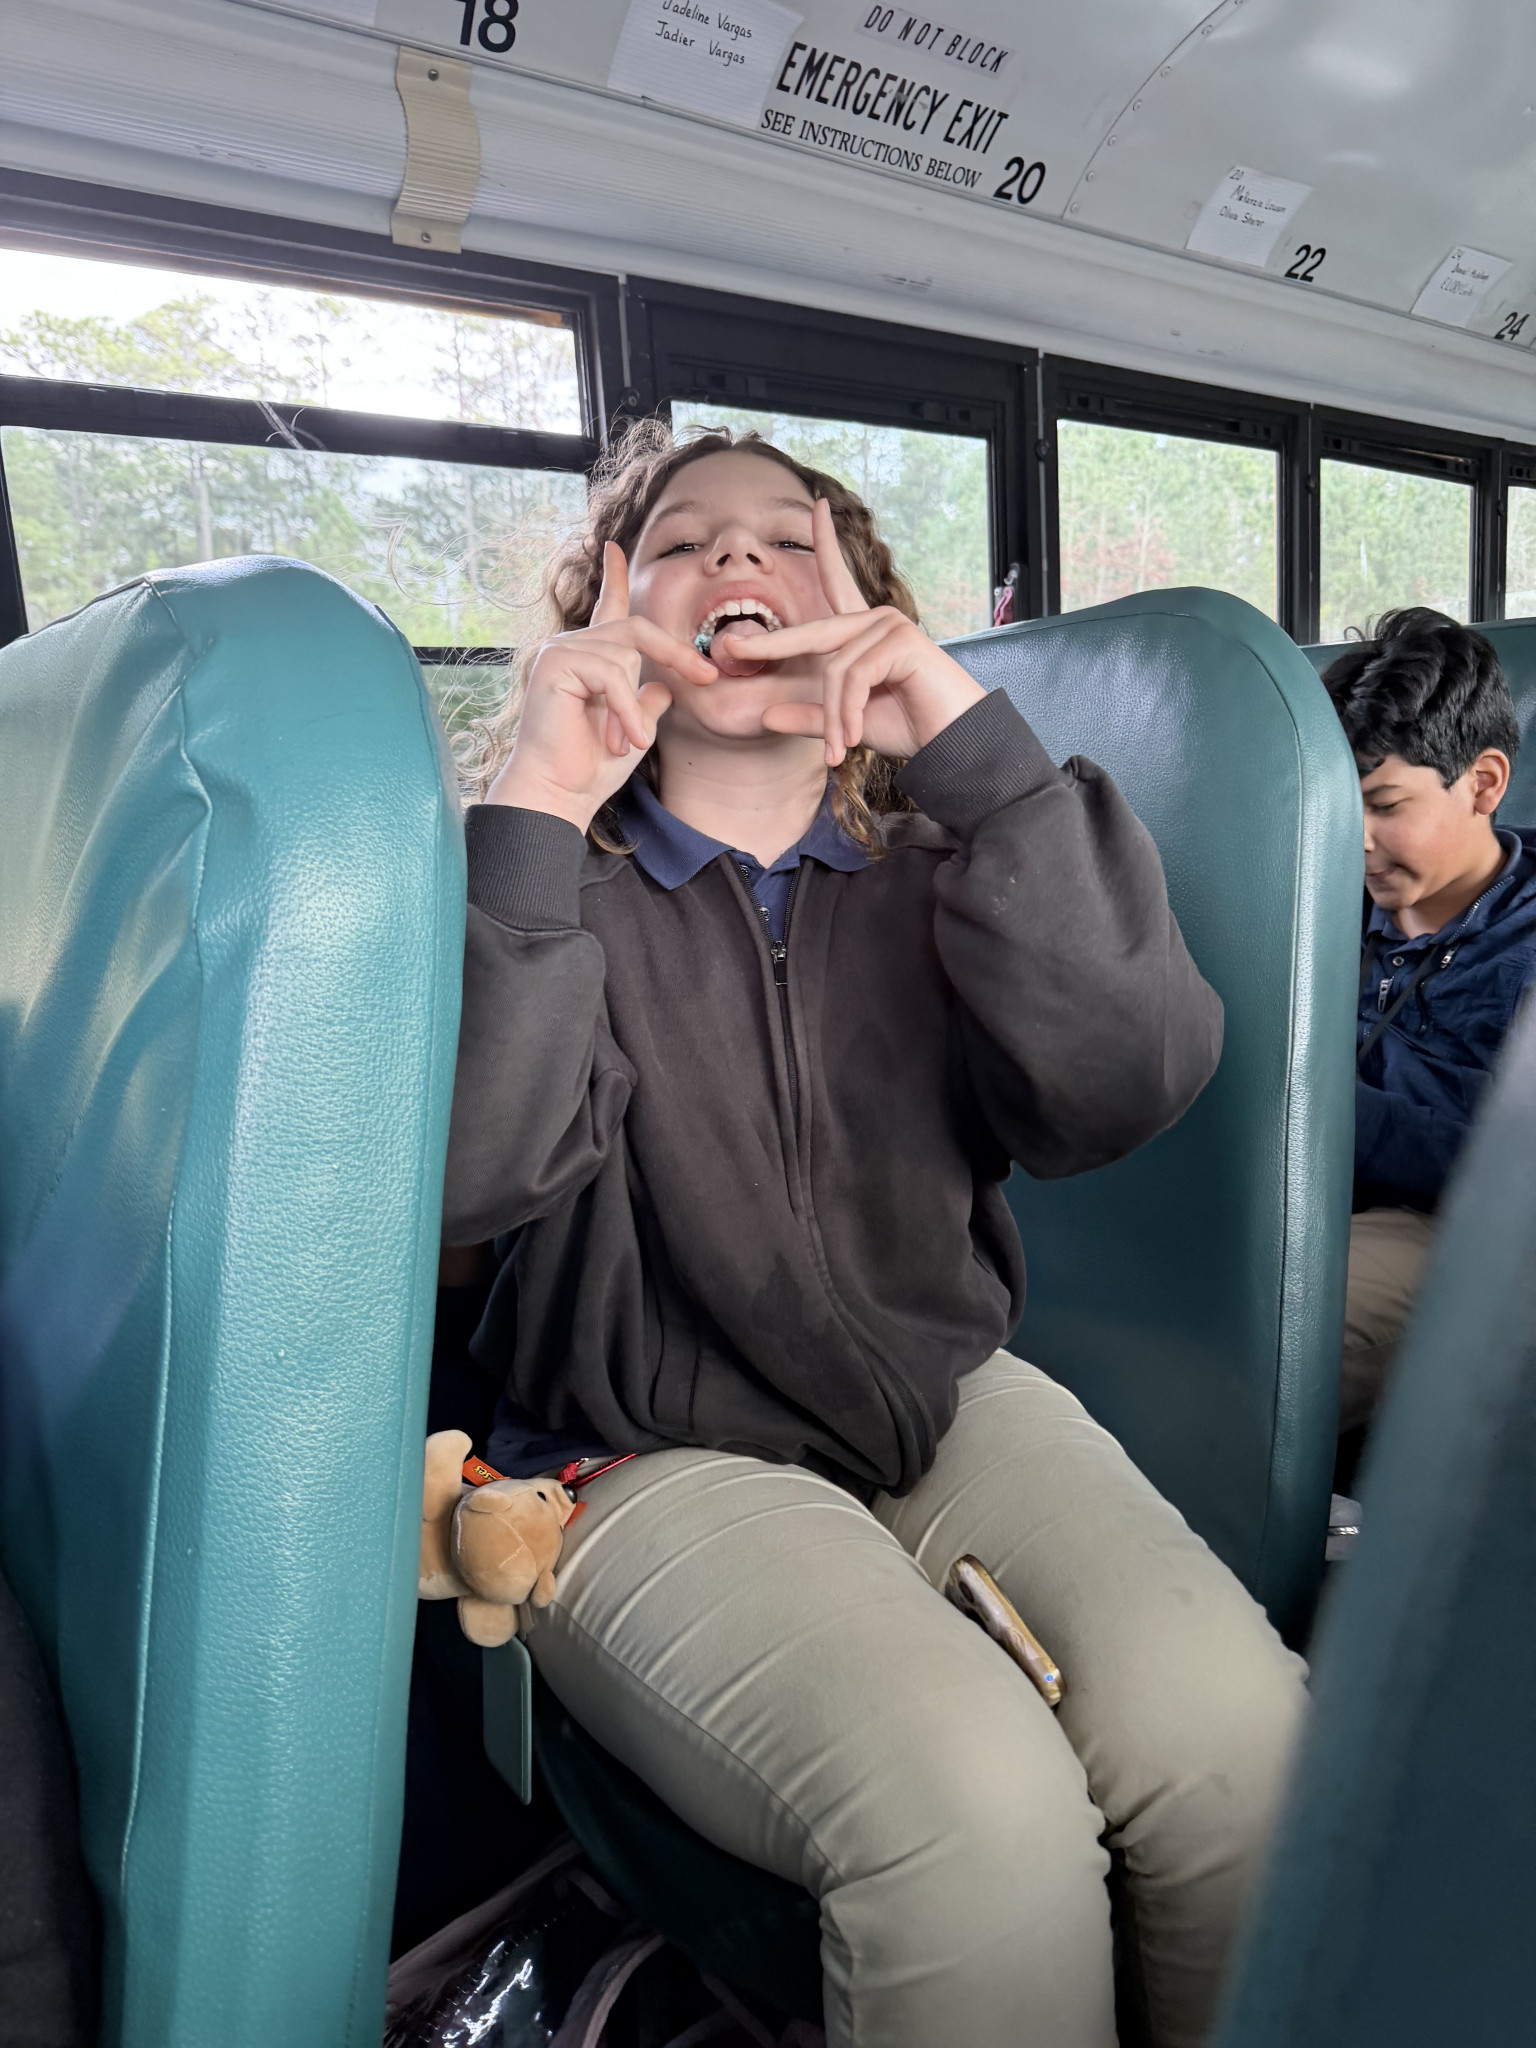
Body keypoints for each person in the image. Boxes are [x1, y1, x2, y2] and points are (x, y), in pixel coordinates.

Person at [441, 421, 1306, 2048]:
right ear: (609, 609)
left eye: (791, 537)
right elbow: (466, 1180)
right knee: (976, 1826)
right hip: (635, 1451)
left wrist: (977, 756)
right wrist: (541, 797)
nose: (738, 557)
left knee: (1248, 1747)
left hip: (944, 1395)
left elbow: (1128, 1086)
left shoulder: (958, 863)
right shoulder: (541, 889)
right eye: (681, 541)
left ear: (864, 607)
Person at [1322, 608, 1536, 1474]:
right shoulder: (1317, 901)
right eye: (1341, 807)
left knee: (1255, 1320)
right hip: (1303, 1194)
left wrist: (1323, 1112)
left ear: (1483, 783)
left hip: (1464, 1231)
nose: (1358, 839)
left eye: (1384, 806)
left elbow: (1503, 1167)